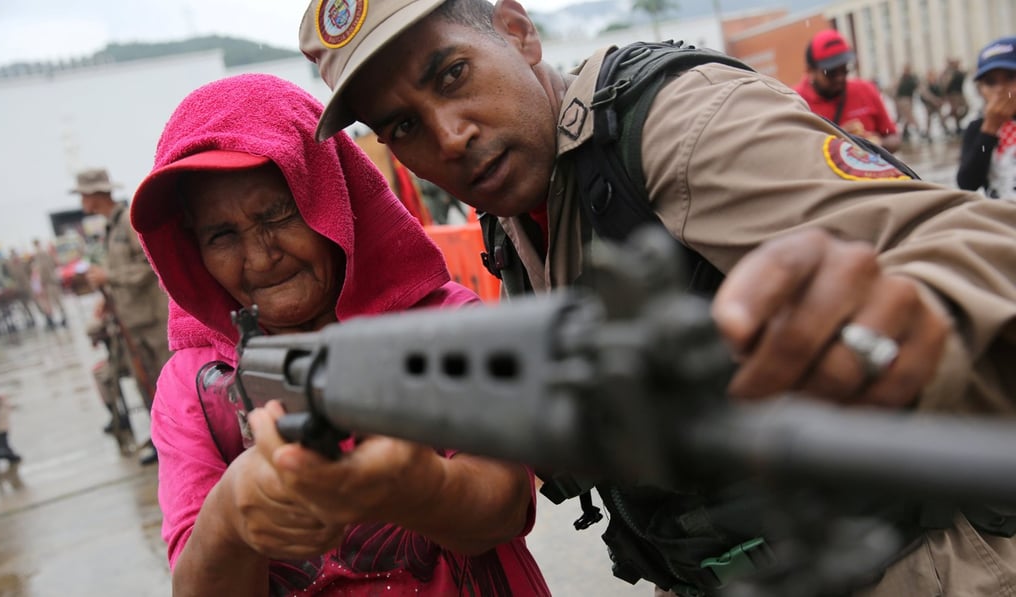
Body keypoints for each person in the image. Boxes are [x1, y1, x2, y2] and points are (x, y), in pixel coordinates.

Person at [298, 1, 1016, 595]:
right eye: (403, 127)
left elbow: (970, 244)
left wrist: (920, 316)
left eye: (453, 75)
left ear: (517, 32)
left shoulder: (677, 123)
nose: (448, 138)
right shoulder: (515, 206)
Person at [128, 72, 549, 596]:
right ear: (191, 249)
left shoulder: (445, 326)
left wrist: (420, 488)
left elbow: (506, 506)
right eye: (221, 235)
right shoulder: (192, 387)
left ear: (331, 199)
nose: (260, 257)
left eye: (278, 215)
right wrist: (232, 515)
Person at [74, 168, 170, 466]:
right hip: (132, 321)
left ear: (95, 195)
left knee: (165, 382)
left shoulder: (128, 223)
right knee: (146, 383)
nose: (81, 201)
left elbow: (150, 265)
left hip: (151, 320)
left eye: (83, 195)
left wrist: (109, 276)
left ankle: (176, 440)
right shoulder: (110, 227)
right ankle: (162, 441)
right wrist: (109, 298)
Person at [793, 29, 901, 152]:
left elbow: (894, 138)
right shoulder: (794, 103)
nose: (840, 78)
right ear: (810, 71)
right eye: (831, 72)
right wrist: (837, 142)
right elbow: (793, 155)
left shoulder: (865, 90)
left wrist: (875, 144)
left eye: (844, 69)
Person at [957, 36, 1016, 198]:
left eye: (1010, 77)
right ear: (980, 90)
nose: (1000, 89)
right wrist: (989, 129)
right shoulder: (977, 128)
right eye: (991, 82)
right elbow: (968, 183)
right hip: (999, 217)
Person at [30, 238, 67, 329]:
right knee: (52, 302)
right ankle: (57, 318)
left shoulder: (40, 255)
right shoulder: (44, 254)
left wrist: (42, 282)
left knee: (55, 301)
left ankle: (62, 318)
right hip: (49, 282)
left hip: (49, 282)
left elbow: (44, 270)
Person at [891, 64, 920, 141]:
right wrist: (896, 103)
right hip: (903, 100)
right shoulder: (901, 79)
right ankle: (919, 131)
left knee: (905, 117)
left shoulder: (912, 78)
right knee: (909, 116)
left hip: (909, 99)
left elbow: (918, 87)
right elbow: (895, 90)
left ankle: (904, 132)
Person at [942, 57, 970, 136]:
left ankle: (957, 124)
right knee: (955, 110)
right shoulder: (949, 72)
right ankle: (947, 122)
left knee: (966, 108)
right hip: (953, 94)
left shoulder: (959, 72)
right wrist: (945, 96)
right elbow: (945, 84)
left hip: (960, 93)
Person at [918, 68, 948, 140]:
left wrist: (941, 101)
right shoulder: (925, 84)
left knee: (941, 117)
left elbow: (941, 92)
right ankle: (927, 133)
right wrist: (935, 100)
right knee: (928, 119)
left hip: (936, 104)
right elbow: (926, 95)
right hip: (929, 104)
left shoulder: (937, 83)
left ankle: (946, 129)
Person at [0, 391, 21, 464]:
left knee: (2, 445)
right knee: (4, 444)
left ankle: (1, 456)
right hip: (2, 427)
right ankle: (12, 457)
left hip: (1, 427)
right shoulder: (0, 402)